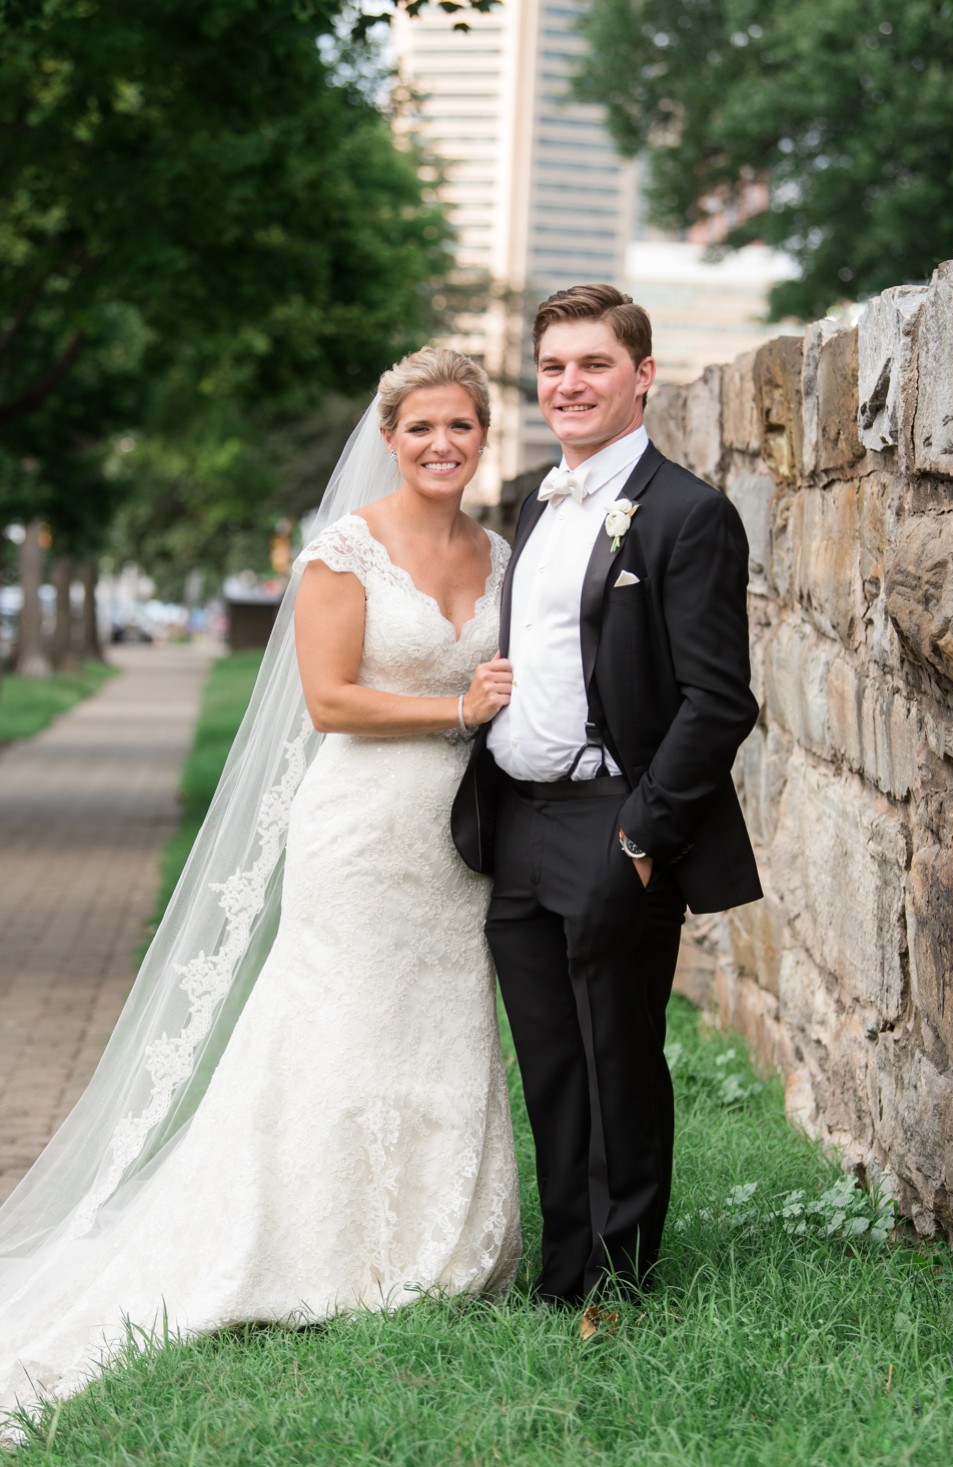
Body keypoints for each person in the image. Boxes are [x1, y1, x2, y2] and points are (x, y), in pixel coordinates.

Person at [0, 347, 520, 1431]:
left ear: (481, 436)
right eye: (420, 427)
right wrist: (457, 711)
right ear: (389, 437)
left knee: (440, 1022)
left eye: (459, 427)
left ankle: (434, 1245)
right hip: (361, 827)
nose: (440, 445)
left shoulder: (500, 551)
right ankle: (307, 1245)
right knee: (335, 1026)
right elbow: (328, 701)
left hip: (459, 838)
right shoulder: (344, 552)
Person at [452, 285, 762, 1309]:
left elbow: (718, 701)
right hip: (518, 822)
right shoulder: (538, 505)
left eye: (592, 364)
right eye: (552, 367)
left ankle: (618, 1286)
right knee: (549, 1064)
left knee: (616, 1058)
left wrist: (640, 833)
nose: (568, 384)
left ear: (641, 375)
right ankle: (560, 1276)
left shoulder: (687, 514)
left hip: (610, 821)